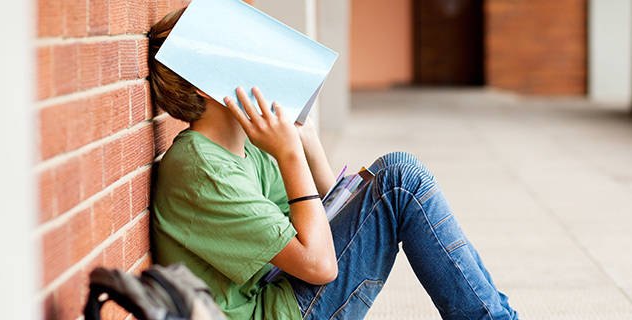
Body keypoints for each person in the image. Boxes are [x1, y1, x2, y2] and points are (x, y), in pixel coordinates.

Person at [149, 7, 519, 320]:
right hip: (271, 310)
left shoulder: (249, 147)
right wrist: (290, 155)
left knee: (396, 178)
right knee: (400, 180)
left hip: (283, 288)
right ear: (204, 81)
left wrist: (308, 145)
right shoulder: (200, 168)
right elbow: (320, 265)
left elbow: (326, 217)